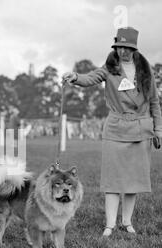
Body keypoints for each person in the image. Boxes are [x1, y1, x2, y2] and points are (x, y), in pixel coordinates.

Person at [63, 27, 162, 237]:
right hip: (116, 130)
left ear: (134, 48)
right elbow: (90, 78)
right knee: (113, 180)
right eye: (119, 47)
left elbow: (154, 102)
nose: (123, 51)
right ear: (116, 46)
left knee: (133, 180)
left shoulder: (146, 70)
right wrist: (75, 77)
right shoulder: (108, 68)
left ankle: (127, 222)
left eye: (127, 47)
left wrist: (158, 129)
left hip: (140, 130)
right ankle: (109, 224)